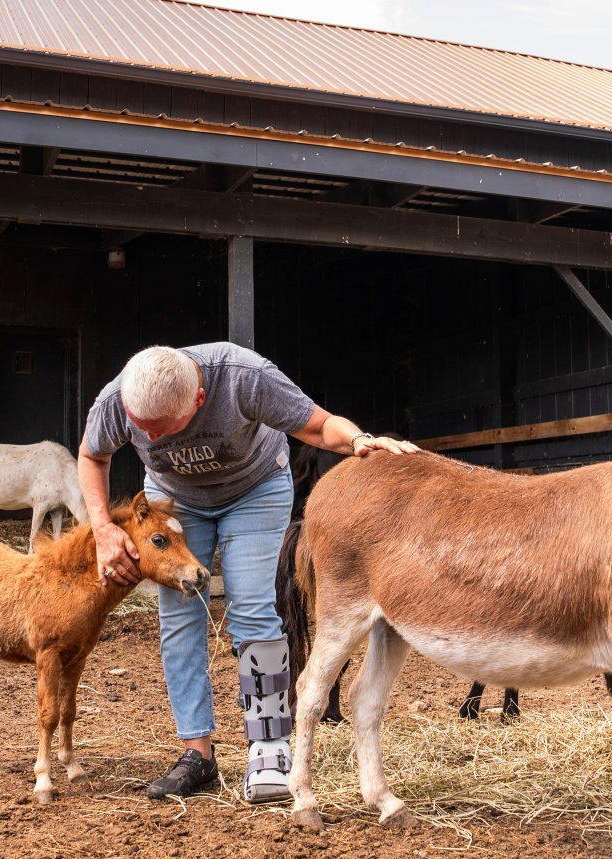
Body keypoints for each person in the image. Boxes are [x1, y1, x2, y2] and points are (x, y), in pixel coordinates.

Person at [78, 343, 418, 804]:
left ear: (198, 400)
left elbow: (319, 427)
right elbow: (92, 456)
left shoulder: (243, 376)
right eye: (143, 430)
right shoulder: (117, 401)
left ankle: (269, 745)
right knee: (179, 618)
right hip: (175, 500)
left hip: (253, 490)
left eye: (163, 430)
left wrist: (360, 441)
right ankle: (196, 754)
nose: (151, 439)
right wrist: (101, 527)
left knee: (253, 608)